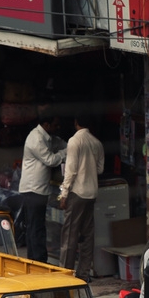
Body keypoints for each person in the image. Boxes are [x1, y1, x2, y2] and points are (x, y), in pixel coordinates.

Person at [58, 115, 105, 282]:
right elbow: (100, 169)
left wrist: (64, 194)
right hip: (91, 193)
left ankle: (66, 273)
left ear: (76, 122)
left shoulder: (74, 141)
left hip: (77, 193)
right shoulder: (96, 143)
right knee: (87, 235)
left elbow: (70, 170)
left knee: (70, 234)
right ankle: (83, 273)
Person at [18, 109, 67, 263]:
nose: (57, 127)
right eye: (55, 125)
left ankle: (35, 260)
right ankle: (38, 260)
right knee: (35, 228)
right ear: (46, 124)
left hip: (40, 189)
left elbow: (61, 143)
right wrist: (66, 152)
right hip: (33, 190)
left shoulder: (48, 137)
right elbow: (50, 160)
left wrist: (71, 146)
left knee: (36, 226)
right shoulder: (36, 139)